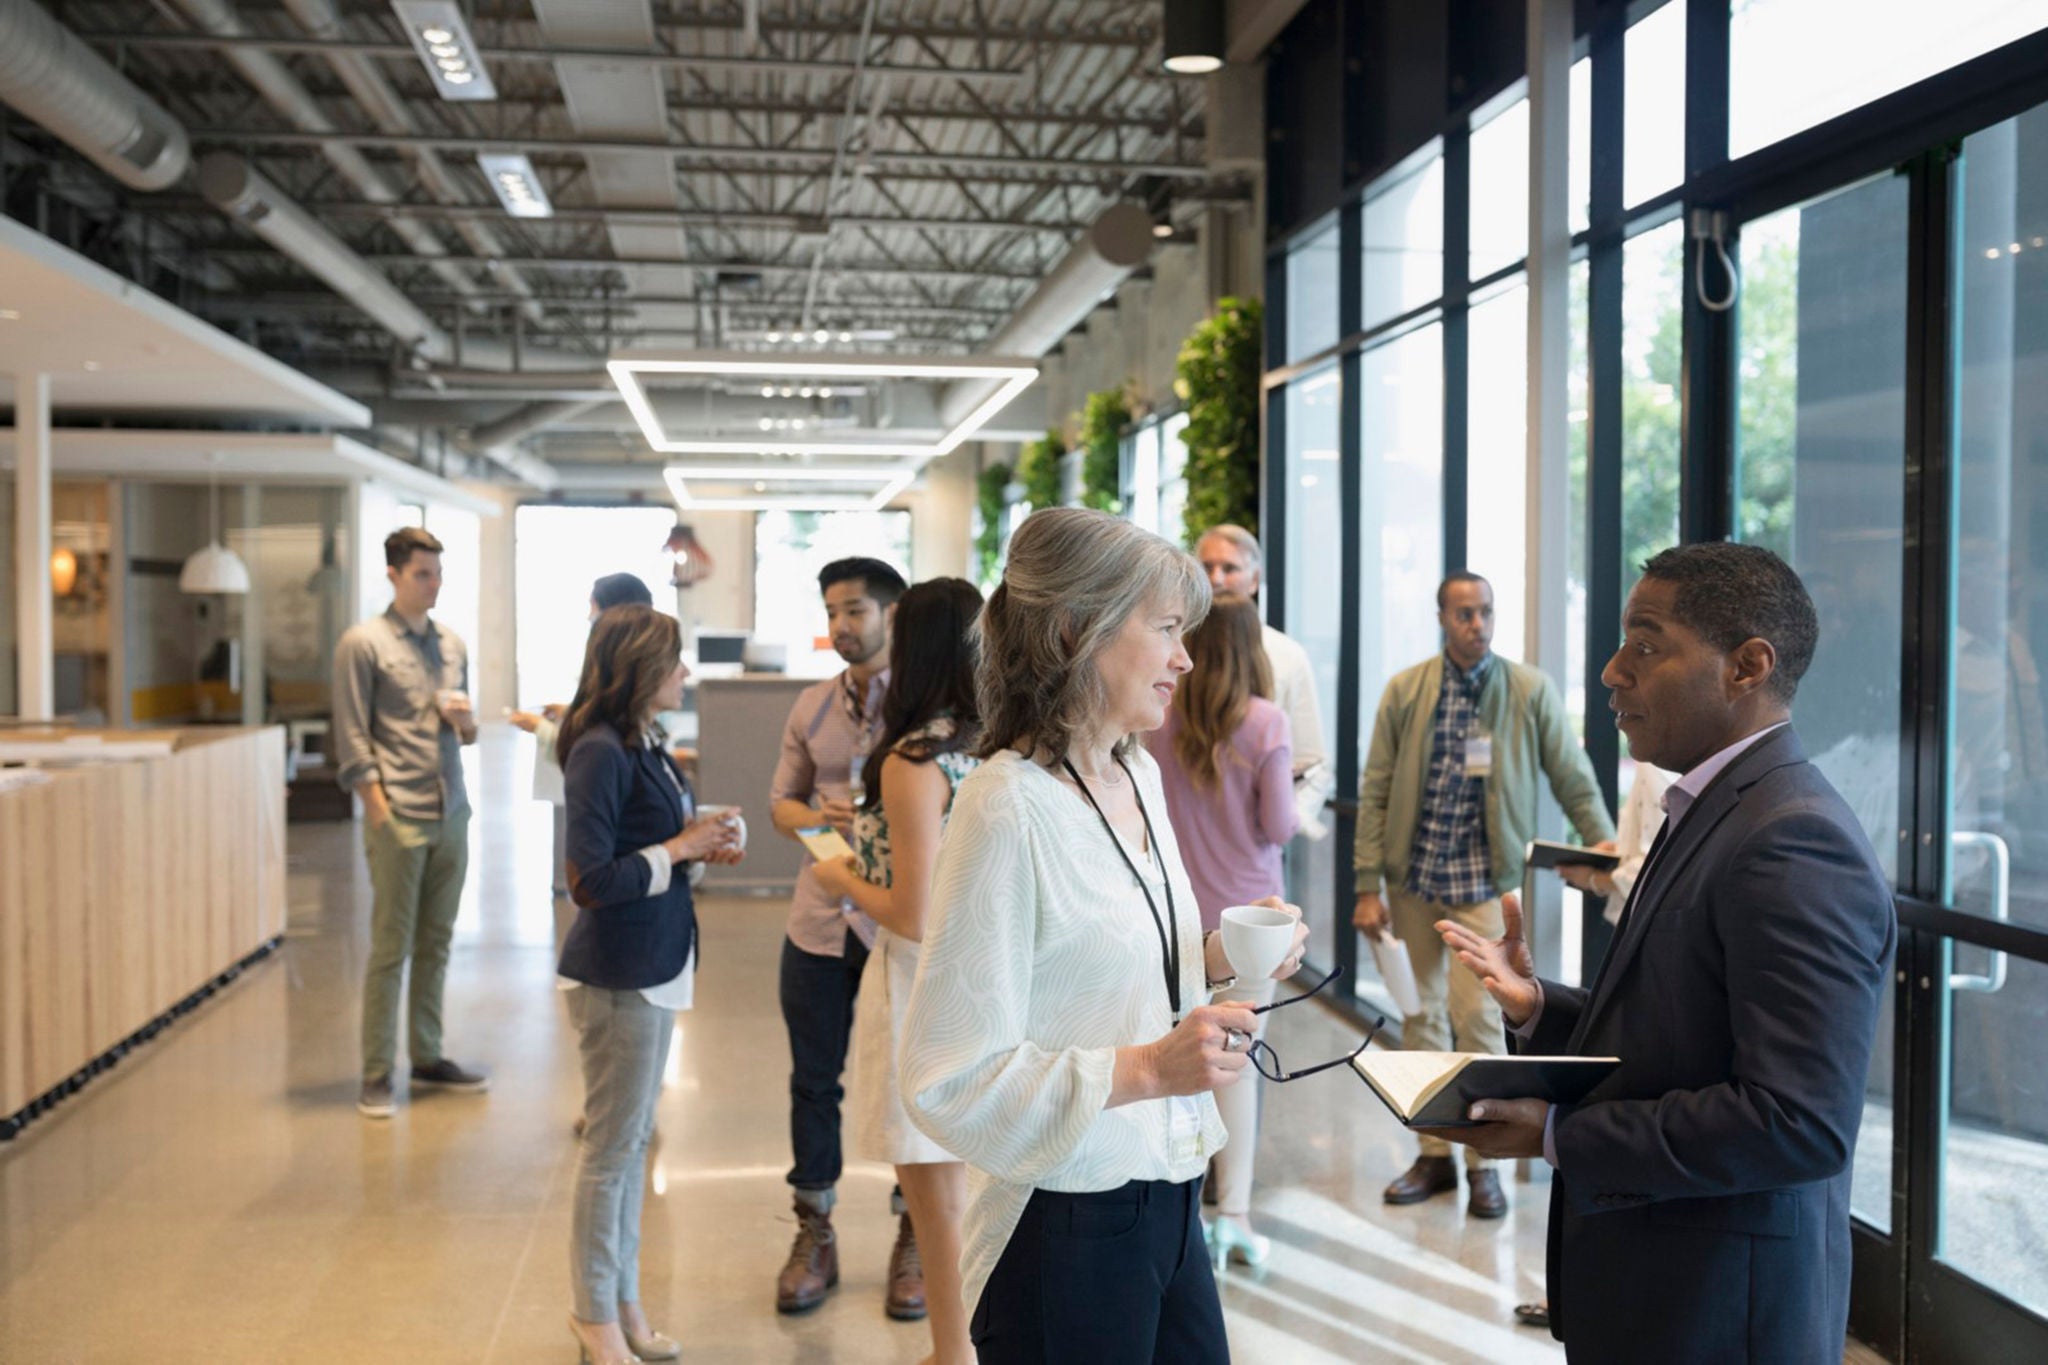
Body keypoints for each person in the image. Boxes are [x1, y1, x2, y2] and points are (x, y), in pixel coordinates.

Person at [1434, 542, 1895, 1364]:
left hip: (1719, 1312)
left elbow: (1797, 1122)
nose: (1613, 671)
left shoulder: (1792, 839)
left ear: (1748, 665)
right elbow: (1682, 1030)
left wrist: (1558, 1133)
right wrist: (1543, 1006)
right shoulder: (1715, 805)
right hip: (1664, 1288)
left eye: (1646, 644)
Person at [900, 508, 1310, 1365]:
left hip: (1168, 1188)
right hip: (1066, 1219)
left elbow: (1116, 972)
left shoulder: (1137, 770)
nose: (1185, 658)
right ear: (1075, 631)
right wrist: (1153, 1066)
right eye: (1165, 629)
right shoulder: (1004, 805)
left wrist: (1224, 959)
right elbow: (948, 1076)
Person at [1351, 571, 1612, 1218]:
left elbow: (1571, 775)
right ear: (1443, 617)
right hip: (1415, 883)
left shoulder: (1528, 690)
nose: (1478, 624)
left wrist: (1603, 844)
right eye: (1465, 613)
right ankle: (1435, 1156)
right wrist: (1365, 885)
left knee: (1476, 1021)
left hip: (1482, 887)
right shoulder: (1407, 690)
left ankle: (1481, 1159)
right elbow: (1376, 788)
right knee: (1421, 1017)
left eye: (1486, 612)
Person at [556, 605, 745, 1365]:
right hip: (618, 975)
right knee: (611, 1149)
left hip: (657, 964)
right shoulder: (599, 751)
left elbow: (655, 849)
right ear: (641, 667)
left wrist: (700, 846)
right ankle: (593, 1315)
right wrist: (680, 843)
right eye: (675, 661)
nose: (686, 673)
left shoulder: (645, 742)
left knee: (632, 1146)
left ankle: (621, 1299)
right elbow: (590, 879)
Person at [810, 576, 986, 1365]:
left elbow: (913, 911)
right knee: (967, 1187)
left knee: (933, 1192)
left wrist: (840, 874)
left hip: (922, 982)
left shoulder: (918, 759)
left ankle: (953, 1353)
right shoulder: (998, 746)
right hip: (984, 977)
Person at [766, 555, 915, 1316]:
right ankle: (814, 1228)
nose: (841, 626)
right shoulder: (813, 706)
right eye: (832, 611)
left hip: (898, 916)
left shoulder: (926, 706)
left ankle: (914, 1228)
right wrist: (821, 821)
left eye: (855, 610)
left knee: (910, 1074)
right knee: (813, 1078)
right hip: (821, 916)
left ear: (892, 613)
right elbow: (780, 802)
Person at [1143, 593, 1299, 1269]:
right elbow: (1281, 825)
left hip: (1177, 916)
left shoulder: (1159, 718)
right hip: (1249, 923)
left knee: (1176, 1056)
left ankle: (1179, 1207)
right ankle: (1231, 1211)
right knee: (1236, 1069)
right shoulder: (1266, 723)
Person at [331, 526, 487, 1120]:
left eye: (439, 573)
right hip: (399, 812)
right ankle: (376, 1071)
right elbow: (350, 736)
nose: (434, 584)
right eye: (423, 573)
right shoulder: (362, 644)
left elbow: (467, 735)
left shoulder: (450, 645)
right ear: (393, 574)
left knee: (437, 941)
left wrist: (466, 723)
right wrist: (380, 812)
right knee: (392, 946)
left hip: (452, 810)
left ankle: (427, 1054)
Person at [509, 573, 658, 898]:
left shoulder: (603, 747)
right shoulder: (606, 736)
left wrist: (541, 728)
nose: (589, 615)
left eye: (594, 606)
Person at [1193, 524, 1333, 833]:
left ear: (1254, 580)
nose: (1216, 579)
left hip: (1254, 841)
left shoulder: (1287, 655)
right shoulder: (1170, 650)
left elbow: (1313, 763)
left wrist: (1284, 821)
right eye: (1207, 567)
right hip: (1179, 839)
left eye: (1229, 568)